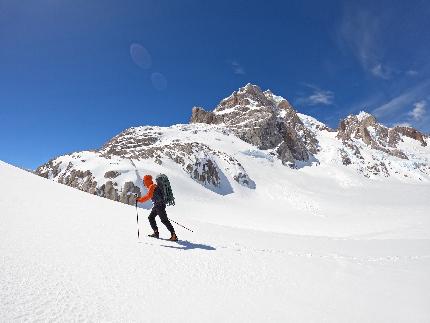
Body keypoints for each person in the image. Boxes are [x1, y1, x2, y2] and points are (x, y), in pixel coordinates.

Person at [136, 175, 178, 241]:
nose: (144, 182)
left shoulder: (152, 186)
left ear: (147, 180)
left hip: (159, 205)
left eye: (144, 181)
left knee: (164, 220)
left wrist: (140, 200)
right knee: (151, 217)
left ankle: (174, 235)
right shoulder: (153, 186)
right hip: (157, 205)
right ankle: (156, 233)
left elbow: (148, 196)